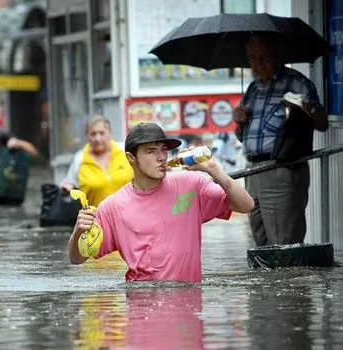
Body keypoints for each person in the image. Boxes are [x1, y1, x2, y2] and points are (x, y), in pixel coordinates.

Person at [68, 122, 254, 282]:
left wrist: (214, 169)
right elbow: (77, 258)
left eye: (163, 150)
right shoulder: (113, 207)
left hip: (188, 309)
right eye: (151, 151)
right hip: (141, 306)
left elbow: (246, 205)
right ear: (131, 158)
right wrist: (78, 231)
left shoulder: (191, 184)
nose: (161, 158)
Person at [233, 33, 329, 247]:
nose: (257, 63)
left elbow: (322, 124)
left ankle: (293, 282)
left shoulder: (296, 82)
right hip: (253, 171)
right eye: (252, 58)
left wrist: (306, 105)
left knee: (284, 243)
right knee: (261, 243)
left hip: (282, 169)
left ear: (278, 55)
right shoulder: (253, 89)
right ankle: (269, 282)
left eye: (263, 56)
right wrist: (239, 122)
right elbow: (243, 137)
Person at [60, 115, 133, 207]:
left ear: (110, 133)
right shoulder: (80, 158)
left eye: (102, 133)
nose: (97, 138)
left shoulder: (124, 151)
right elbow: (71, 185)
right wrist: (66, 188)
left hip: (128, 215)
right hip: (95, 218)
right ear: (87, 136)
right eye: (93, 134)